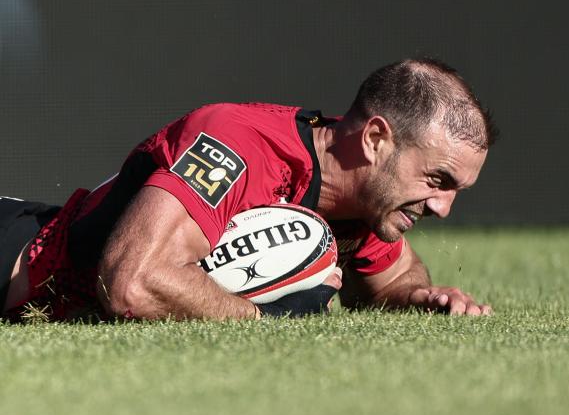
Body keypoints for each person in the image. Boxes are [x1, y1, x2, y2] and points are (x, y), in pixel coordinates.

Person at [0, 58, 496, 322]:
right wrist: (261, 317)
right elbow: (132, 284)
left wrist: (424, 298)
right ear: (375, 140)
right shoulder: (236, 144)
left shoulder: (363, 200)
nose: (443, 207)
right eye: (438, 180)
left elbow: (394, 278)